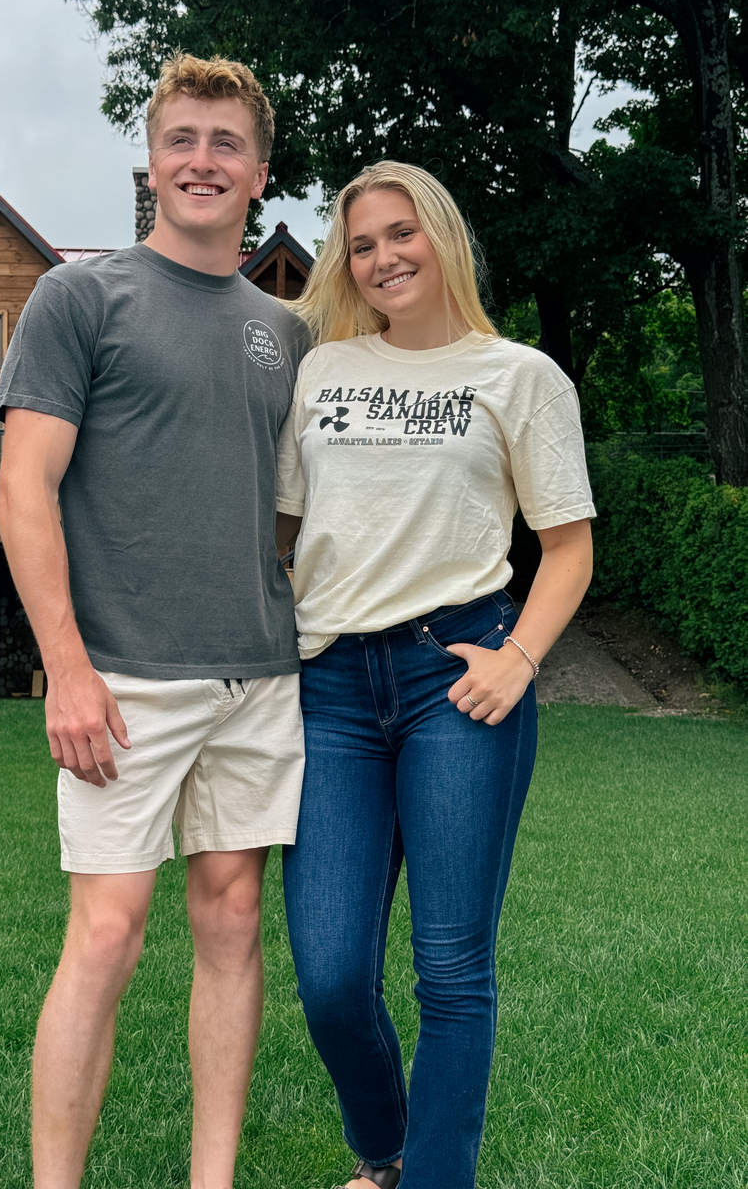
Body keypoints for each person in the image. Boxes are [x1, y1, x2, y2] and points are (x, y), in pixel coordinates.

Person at [0, 54, 310, 1189]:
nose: (202, 161)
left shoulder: (290, 333)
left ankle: (210, 1180)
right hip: (123, 679)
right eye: (182, 139)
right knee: (109, 934)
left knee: (232, 929)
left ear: (260, 171)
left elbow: (292, 509)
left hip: (262, 680)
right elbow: (24, 487)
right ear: (150, 160)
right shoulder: (82, 298)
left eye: (226, 144)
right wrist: (65, 669)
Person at [275, 161, 595, 1189]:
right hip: (327, 688)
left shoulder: (521, 375)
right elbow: (281, 530)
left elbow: (570, 544)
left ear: (444, 237)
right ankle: (384, 1152)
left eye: (401, 234)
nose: (383, 258)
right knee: (330, 975)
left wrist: (519, 657)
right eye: (362, 244)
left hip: (455, 675)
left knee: (452, 973)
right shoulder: (322, 371)